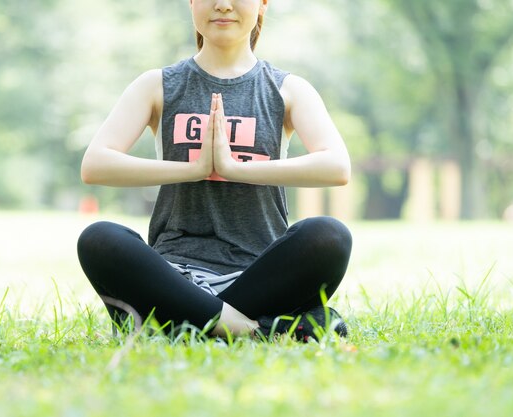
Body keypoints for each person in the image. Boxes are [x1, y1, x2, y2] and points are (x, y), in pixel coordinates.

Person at [77, 0, 352, 342]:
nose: (223, 5)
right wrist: (193, 168)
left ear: (263, 4)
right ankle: (257, 330)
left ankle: (183, 325)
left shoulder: (287, 89)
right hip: (171, 277)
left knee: (330, 235)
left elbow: (337, 166)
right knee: (100, 239)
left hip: (256, 278)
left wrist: (234, 168)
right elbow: (95, 164)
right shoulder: (158, 85)